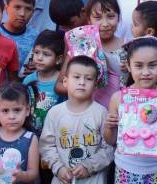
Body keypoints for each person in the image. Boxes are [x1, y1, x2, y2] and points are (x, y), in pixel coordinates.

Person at [104, 37, 157, 184]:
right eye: (139, 66)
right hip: (124, 168)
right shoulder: (118, 98)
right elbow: (110, 140)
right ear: (128, 66)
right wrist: (109, 126)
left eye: (152, 65)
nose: (146, 72)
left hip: (156, 169)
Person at [39, 56, 115, 184]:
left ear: (95, 84)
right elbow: (46, 146)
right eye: (76, 77)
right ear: (65, 81)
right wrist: (58, 168)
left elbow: (109, 148)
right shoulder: (55, 113)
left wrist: (89, 166)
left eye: (88, 78)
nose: (82, 82)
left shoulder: (101, 113)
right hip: (62, 180)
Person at [22, 30, 66, 135]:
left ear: (58, 59)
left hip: (55, 134)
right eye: (36, 52)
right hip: (30, 133)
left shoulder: (62, 82)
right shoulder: (28, 80)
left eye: (46, 54)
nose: (40, 58)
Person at [0, 0, 39, 79]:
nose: (22, 14)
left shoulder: (37, 38)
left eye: (28, 9)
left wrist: (38, 69)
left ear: (33, 12)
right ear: (6, 8)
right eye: (17, 7)